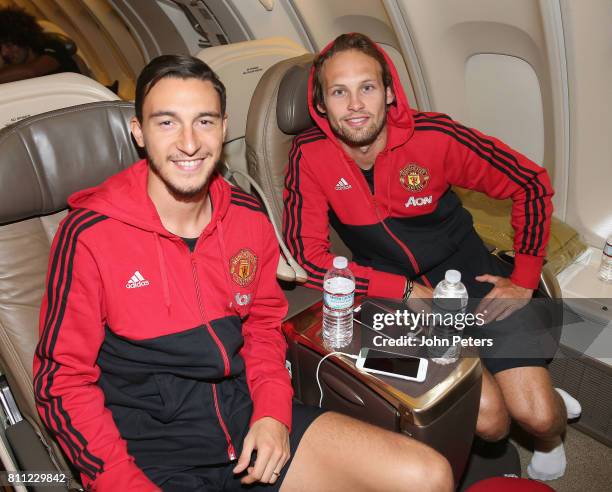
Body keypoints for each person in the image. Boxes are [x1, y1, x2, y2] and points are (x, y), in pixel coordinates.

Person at [33, 54, 452, 491]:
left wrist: (272, 412)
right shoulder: (88, 236)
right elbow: (61, 379)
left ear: (223, 126)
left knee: (427, 476)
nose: (190, 143)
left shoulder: (248, 217)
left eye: (205, 122)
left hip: (243, 414)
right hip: (149, 449)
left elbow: (262, 326)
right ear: (139, 132)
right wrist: (120, 480)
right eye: (167, 123)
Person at [283, 33, 581, 481]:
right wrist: (400, 289)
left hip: (472, 279)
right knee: (492, 422)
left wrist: (523, 276)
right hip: (391, 298)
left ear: (388, 91)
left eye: (367, 87)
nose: (356, 104)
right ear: (321, 104)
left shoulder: (435, 137)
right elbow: (307, 259)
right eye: (338, 91)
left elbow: (531, 183)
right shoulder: (309, 155)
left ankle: (547, 416)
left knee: (538, 416)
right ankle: (507, 384)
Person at [0, 6, 80, 84]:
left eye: (9, 45)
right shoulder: (9, 65)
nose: (4, 53)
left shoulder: (53, 46)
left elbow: (32, 71)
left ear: (24, 40)